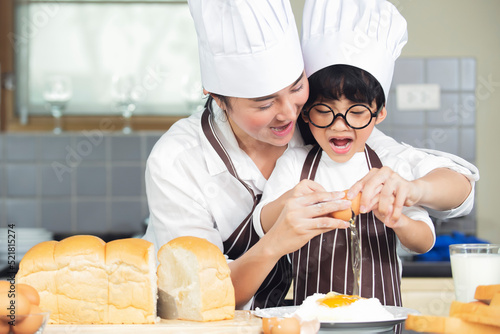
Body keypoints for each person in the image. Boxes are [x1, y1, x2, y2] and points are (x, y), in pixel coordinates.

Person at [144, 0, 478, 311]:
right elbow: (196, 298)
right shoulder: (178, 161)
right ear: (218, 98)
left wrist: (414, 190)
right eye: (264, 104)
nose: (289, 114)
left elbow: (458, 186)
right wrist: (274, 242)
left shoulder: (326, 125)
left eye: (296, 88)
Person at [253, 0, 479, 316]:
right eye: (323, 111)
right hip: (314, 320)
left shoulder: (391, 170)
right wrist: (291, 202)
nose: (339, 125)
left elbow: (424, 241)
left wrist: (399, 219)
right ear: (305, 113)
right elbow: (263, 224)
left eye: (357, 112)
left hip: (381, 322)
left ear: (379, 113)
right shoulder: (295, 164)